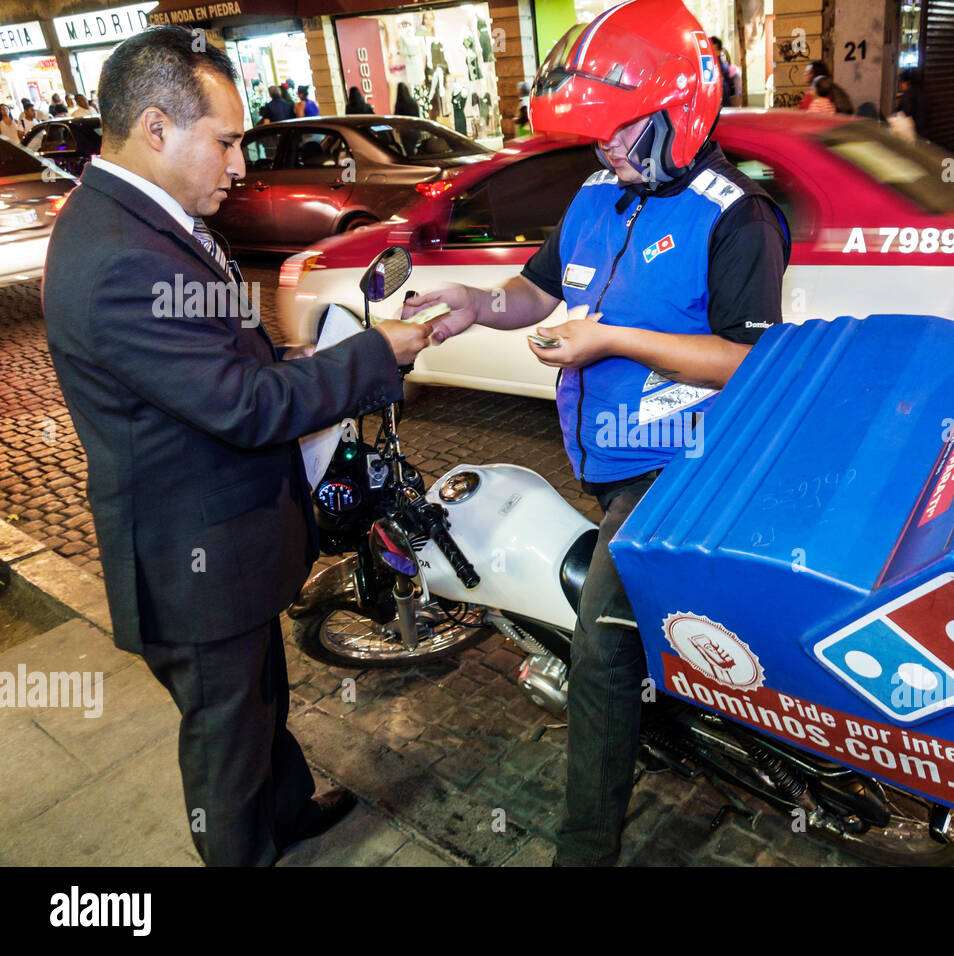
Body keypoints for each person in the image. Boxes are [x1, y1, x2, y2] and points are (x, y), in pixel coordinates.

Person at [400, 0, 789, 866]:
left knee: (602, 657)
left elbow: (747, 363)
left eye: (617, 133)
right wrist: (479, 304)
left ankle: (585, 850)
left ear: (677, 112)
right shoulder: (597, 191)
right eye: (599, 137)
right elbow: (540, 291)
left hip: (680, 470)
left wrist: (611, 338)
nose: (604, 151)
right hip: (607, 463)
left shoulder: (737, 218)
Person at [41, 25, 433, 866]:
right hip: (194, 562)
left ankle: (282, 812)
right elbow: (241, 407)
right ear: (156, 128)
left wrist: (292, 357)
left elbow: (212, 363)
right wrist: (371, 356)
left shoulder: (141, 219)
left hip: (224, 548)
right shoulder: (118, 256)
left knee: (257, 707)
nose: (237, 165)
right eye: (223, 143)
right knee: (225, 744)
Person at [710, 36, 741, 106]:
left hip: (725, 109)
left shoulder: (727, 70)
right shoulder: (706, 69)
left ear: (719, 52)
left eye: (713, 50)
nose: (711, 53)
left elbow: (736, 93)